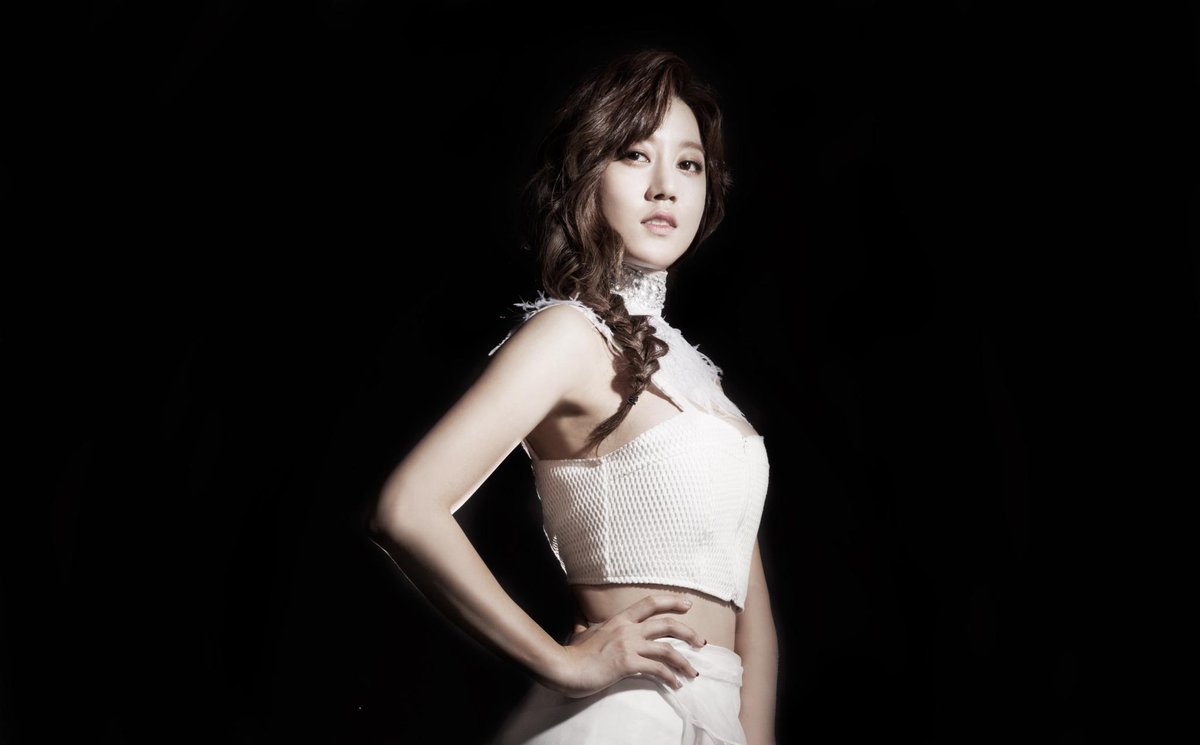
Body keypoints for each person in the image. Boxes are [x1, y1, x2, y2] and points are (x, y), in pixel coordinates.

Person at [368, 48, 777, 745]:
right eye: (634, 155)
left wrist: (751, 731)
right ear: (588, 174)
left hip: (714, 721)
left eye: (688, 164)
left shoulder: (699, 375)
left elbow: (748, 601)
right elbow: (406, 509)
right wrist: (560, 663)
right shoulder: (569, 335)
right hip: (628, 717)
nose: (665, 187)